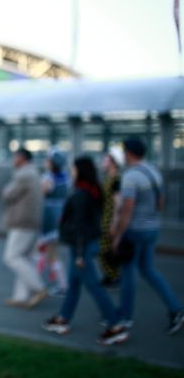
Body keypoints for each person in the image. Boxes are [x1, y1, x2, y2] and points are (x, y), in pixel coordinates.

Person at [42, 157, 129, 345]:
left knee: (93, 286)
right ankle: (63, 318)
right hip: (84, 245)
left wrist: (80, 255)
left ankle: (115, 325)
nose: (71, 171)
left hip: (81, 247)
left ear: (80, 170)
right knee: (74, 284)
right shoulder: (91, 189)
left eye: (73, 168)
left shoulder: (81, 193)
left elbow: (80, 226)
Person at [111, 137, 184, 335]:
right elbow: (161, 203)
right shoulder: (154, 172)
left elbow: (127, 210)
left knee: (128, 273)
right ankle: (175, 308)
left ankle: (125, 317)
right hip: (152, 228)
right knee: (148, 269)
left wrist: (118, 235)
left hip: (134, 231)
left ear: (128, 153)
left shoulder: (131, 176)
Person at [1, 148, 47, 308]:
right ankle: (21, 296)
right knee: (23, 258)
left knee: (11, 257)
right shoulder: (33, 173)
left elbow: (8, 194)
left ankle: (39, 288)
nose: (13, 160)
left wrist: (6, 190)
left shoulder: (24, 175)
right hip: (31, 222)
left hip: (22, 222)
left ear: (21, 158)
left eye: (15, 157)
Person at [36, 149, 68, 296]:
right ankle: (53, 282)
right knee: (50, 251)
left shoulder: (49, 177)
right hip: (61, 213)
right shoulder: (66, 177)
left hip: (50, 215)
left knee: (49, 251)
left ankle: (60, 285)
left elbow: (42, 192)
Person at [98, 146, 124, 288]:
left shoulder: (116, 180)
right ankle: (111, 274)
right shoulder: (109, 178)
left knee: (105, 249)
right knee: (104, 248)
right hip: (105, 217)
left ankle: (114, 275)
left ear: (113, 162)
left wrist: (114, 224)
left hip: (110, 219)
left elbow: (118, 204)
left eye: (106, 159)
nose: (103, 161)